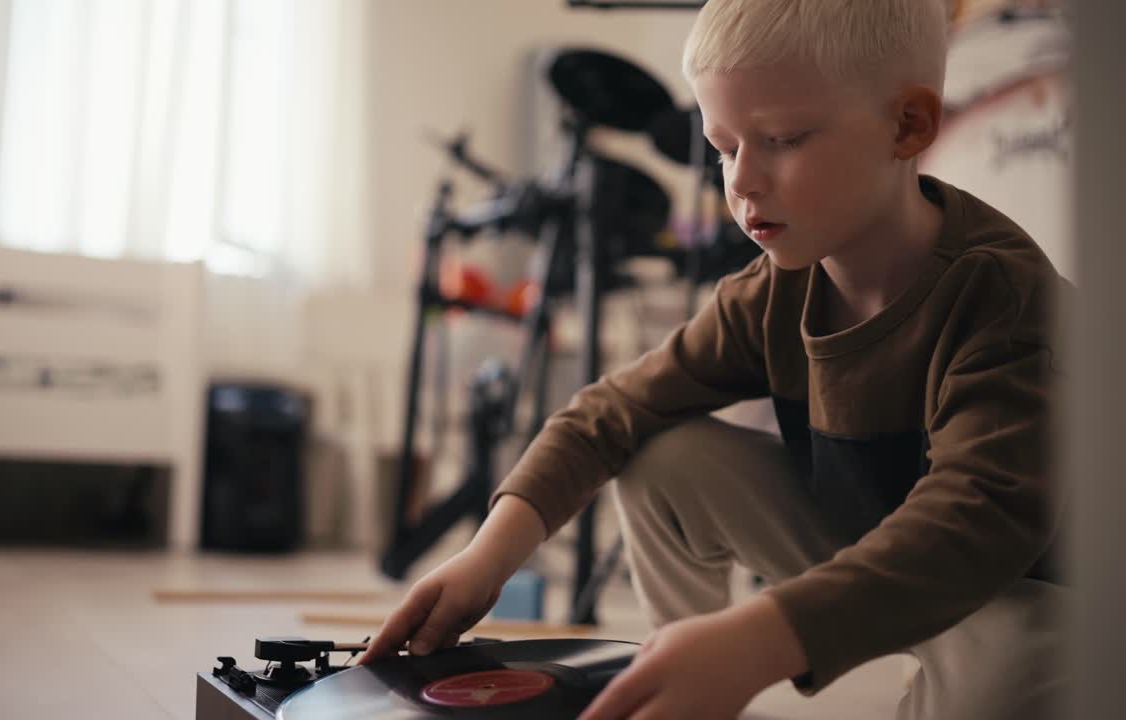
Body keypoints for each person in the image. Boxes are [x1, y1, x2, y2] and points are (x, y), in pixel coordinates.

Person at [360, 1, 1068, 718]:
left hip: (1016, 590)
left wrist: (762, 639)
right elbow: (612, 410)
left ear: (908, 125)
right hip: (873, 545)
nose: (743, 182)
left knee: (1027, 646)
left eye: (783, 139)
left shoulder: (1000, 297)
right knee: (664, 453)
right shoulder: (771, 294)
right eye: (725, 148)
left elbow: (975, 525)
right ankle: (686, 685)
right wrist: (488, 556)